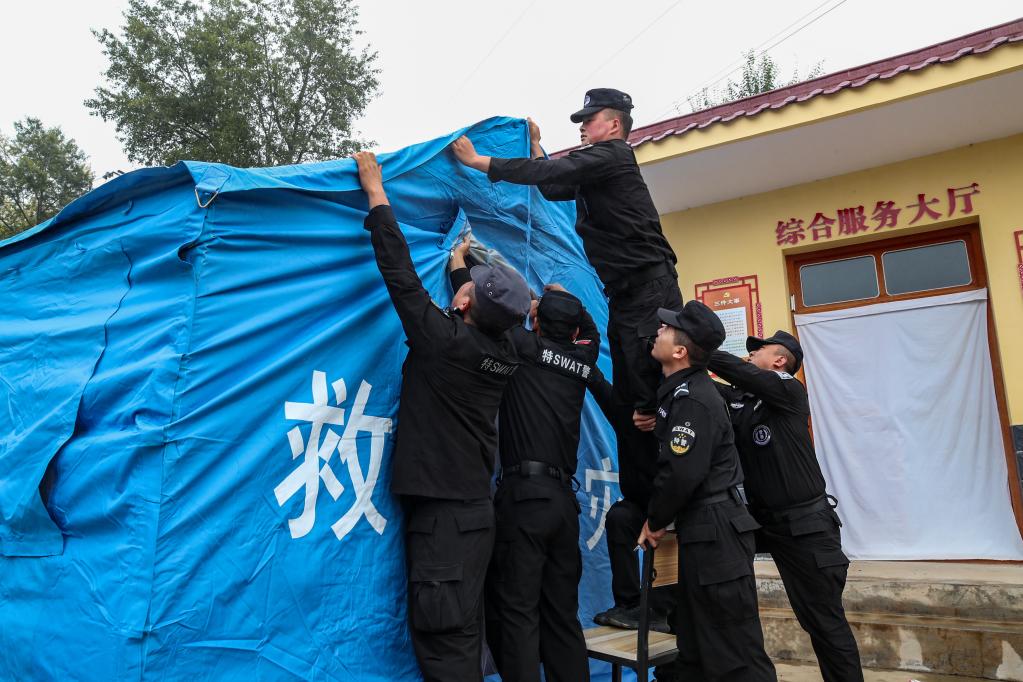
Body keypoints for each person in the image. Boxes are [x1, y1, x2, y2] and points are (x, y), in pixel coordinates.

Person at [451, 89, 682, 627]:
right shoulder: (594, 170)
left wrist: (480, 162)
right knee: (633, 406)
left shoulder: (615, 156)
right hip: (626, 298)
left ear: (615, 125)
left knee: (648, 397)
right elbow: (555, 185)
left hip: (648, 292)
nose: (582, 126)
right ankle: (643, 596)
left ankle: (654, 418)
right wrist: (536, 150)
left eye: (589, 119)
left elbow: (552, 174)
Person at [351, 151, 531, 682]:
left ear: (465, 306)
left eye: (468, 287)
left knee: (445, 647)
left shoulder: (448, 344)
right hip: (473, 515)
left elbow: (402, 278)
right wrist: (459, 264)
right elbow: (477, 311)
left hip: (445, 524)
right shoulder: (505, 351)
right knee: (463, 635)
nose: (464, 285)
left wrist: (377, 194)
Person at [708, 332, 863, 682]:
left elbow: (740, 373)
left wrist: (698, 347)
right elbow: (707, 387)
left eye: (758, 350)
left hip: (808, 528)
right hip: (764, 525)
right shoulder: (743, 401)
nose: (749, 355)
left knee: (823, 622)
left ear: (779, 361)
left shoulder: (789, 390)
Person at [636, 302, 776, 682]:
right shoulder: (683, 392)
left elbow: (680, 473)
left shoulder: (693, 399)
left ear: (680, 351)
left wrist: (655, 520)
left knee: (735, 653)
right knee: (697, 651)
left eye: (666, 329)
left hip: (716, 532)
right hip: (706, 530)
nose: (658, 332)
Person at [467, 275, 598, 682]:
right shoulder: (582, 358)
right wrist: (562, 297)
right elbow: (591, 330)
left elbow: (489, 310)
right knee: (562, 614)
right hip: (563, 503)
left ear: (536, 323)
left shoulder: (523, 347)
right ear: (573, 332)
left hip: (524, 499)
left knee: (518, 611)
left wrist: (461, 267)